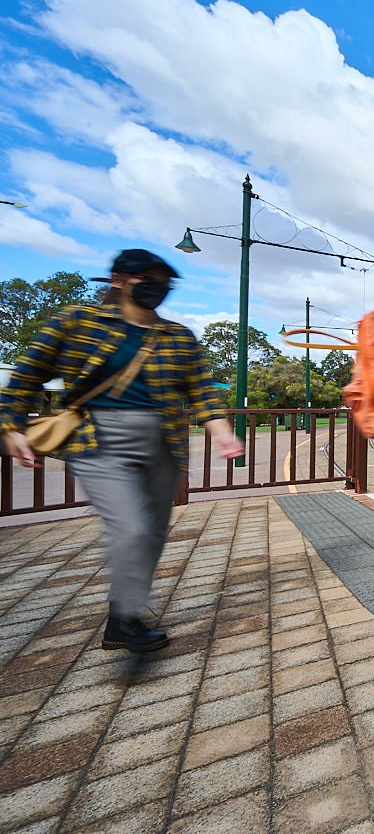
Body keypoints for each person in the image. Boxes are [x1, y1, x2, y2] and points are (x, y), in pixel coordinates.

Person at [0, 249, 244, 652]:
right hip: (98, 441)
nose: (156, 285)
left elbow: (201, 390)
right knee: (131, 528)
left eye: (163, 279)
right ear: (117, 279)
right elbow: (27, 375)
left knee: (150, 534)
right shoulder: (77, 322)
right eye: (144, 277)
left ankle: (120, 619)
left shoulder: (178, 336)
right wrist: (10, 427)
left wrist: (221, 431)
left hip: (163, 443)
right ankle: (129, 622)